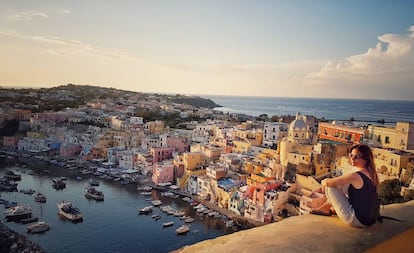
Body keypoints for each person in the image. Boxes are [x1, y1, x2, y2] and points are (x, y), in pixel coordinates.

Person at [310, 144, 380, 227]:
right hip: (370, 220)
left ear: (365, 159)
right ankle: (325, 208)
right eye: (351, 155)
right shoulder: (371, 174)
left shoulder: (356, 176)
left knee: (330, 186)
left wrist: (323, 182)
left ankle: (325, 208)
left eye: (357, 156)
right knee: (339, 185)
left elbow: (328, 183)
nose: (352, 159)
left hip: (356, 220)